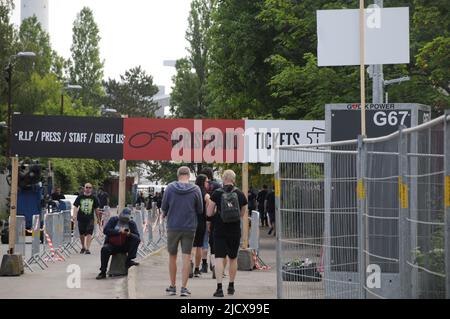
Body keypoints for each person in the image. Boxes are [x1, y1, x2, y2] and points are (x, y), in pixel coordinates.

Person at [161, 166, 203, 297]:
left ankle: (173, 286)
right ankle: (184, 288)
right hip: (189, 227)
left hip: (173, 226)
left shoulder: (169, 188)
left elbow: (164, 207)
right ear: (189, 175)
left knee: (172, 257)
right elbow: (200, 209)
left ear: (178, 175)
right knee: (186, 257)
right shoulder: (196, 189)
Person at [207, 169, 248, 297]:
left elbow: (209, 213)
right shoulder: (240, 194)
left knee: (219, 258)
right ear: (234, 179)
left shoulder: (216, 193)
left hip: (219, 230)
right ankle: (231, 286)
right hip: (234, 230)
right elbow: (242, 214)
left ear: (224, 179)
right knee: (233, 258)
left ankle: (219, 288)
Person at [96, 208, 140, 279]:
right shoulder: (113, 220)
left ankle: (129, 260)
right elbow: (106, 230)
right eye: (123, 217)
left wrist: (129, 234)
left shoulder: (131, 223)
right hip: (112, 244)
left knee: (136, 239)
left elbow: (137, 236)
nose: (125, 219)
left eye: (126, 218)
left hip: (125, 245)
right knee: (105, 249)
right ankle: (103, 271)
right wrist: (118, 231)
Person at [200, 167, 222, 277]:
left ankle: (203, 265)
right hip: (215, 217)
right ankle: (213, 265)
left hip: (202, 218)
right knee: (213, 242)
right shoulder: (217, 186)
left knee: (203, 242)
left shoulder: (200, 187)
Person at [73, 183, 100, 254]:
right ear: (84, 188)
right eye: (87, 187)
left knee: (89, 233)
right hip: (81, 218)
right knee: (81, 233)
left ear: (91, 189)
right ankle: (83, 247)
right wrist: (74, 215)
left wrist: (98, 219)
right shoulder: (80, 197)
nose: (88, 189)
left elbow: (96, 209)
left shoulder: (94, 198)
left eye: (90, 187)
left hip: (90, 218)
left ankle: (87, 248)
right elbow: (75, 207)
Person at [191, 174, 210, 278]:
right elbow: (208, 203)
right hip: (201, 221)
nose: (208, 183)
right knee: (199, 245)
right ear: (203, 182)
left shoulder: (192, 191)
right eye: (207, 181)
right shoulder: (205, 194)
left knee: (191, 245)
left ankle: (189, 262)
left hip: (191, 221)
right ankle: (197, 269)